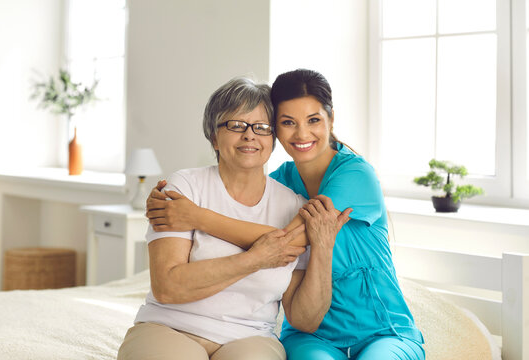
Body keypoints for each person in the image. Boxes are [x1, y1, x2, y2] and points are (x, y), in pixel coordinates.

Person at [146, 69, 425, 359]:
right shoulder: (282, 185)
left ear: (331, 119)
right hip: (311, 333)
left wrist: (196, 217)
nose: (302, 134)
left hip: (378, 329)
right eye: (288, 122)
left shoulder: (355, 175)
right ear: (276, 130)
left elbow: (288, 243)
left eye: (313, 120)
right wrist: (163, 203)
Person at [118, 76, 350, 360]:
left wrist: (323, 247)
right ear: (214, 136)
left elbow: (304, 319)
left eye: (261, 127)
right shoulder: (184, 188)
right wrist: (255, 259)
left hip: (251, 338)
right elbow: (168, 287)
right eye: (236, 125)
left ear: (272, 139)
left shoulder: (294, 206)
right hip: (169, 327)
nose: (249, 135)